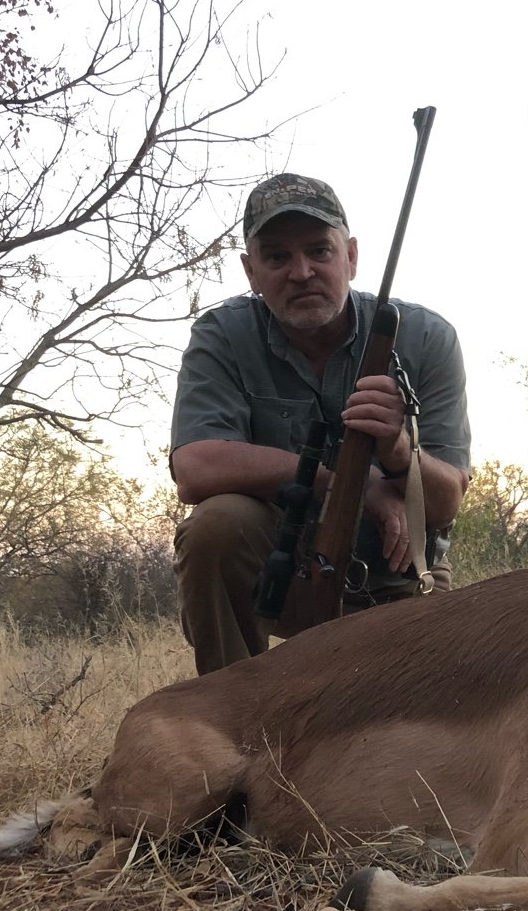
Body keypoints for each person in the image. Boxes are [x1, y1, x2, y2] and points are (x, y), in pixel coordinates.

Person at [169, 172, 471, 674]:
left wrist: (397, 450)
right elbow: (196, 468)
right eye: (277, 257)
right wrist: (350, 485)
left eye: (319, 251)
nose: (302, 272)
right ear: (251, 271)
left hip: (394, 576)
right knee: (215, 528)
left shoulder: (426, 338)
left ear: (350, 255)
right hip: (280, 575)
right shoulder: (222, 335)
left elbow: (445, 502)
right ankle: (238, 722)